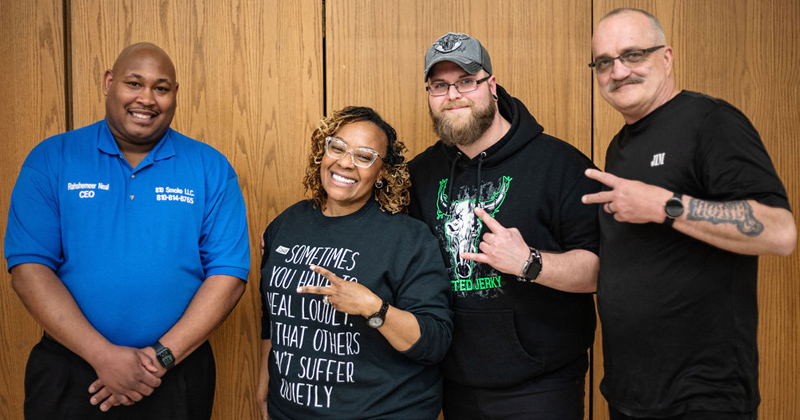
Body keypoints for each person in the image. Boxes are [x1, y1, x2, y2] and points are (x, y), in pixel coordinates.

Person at [4, 42, 250, 419]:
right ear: (108, 83)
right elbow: (28, 269)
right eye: (134, 83)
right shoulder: (52, 158)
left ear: (174, 95)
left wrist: (159, 360)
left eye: (161, 88)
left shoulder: (210, 167)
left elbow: (229, 275)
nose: (147, 99)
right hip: (69, 372)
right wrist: (103, 357)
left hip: (175, 370)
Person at [583, 8, 797, 420]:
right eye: (604, 62)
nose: (618, 71)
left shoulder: (710, 122)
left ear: (666, 57)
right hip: (631, 392)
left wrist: (664, 205)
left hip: (702, 397)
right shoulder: (619, 146)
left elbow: (780, 231)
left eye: (632, 55)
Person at [407, 32, 601, 420]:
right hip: (451, 381)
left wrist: (529, 262)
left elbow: (602, 270)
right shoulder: (420, 175)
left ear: (491, 86)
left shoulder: (559, 165)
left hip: (541, 384)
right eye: (439, 86)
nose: (453, 95)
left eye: (466, 81)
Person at [256, 106, 453, 420]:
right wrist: (265, 384)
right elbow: (272, 314)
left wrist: (372, 308)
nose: (345, 162)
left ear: (383, 173)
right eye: (338, 147)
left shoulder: (408, 240)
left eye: (364, 156)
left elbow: (434, 342)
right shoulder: (285, 225)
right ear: (323, 151)